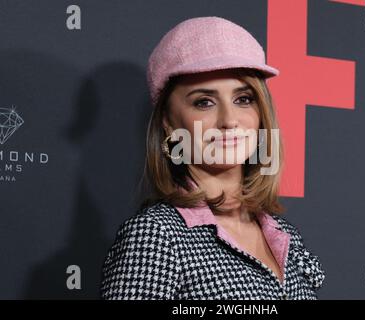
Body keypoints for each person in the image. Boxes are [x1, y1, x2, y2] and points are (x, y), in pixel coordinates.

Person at [100, 16, 325, 300]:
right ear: (169, 123)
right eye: (204, 102)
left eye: (243, 99)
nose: (229, 120)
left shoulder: (284, 234)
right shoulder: (156, 236)